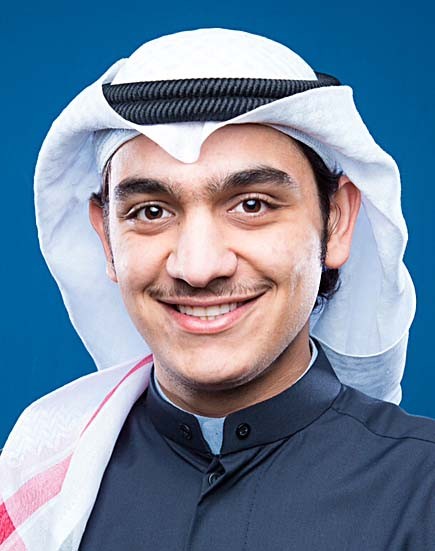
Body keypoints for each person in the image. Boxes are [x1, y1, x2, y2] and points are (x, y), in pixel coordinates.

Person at [0, 28, 434, 550]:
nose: (199, 267)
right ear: (107, 239)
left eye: (252, 205)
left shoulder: (422, 492)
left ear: (336, 220)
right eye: (151, 212)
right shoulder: (39, 490)